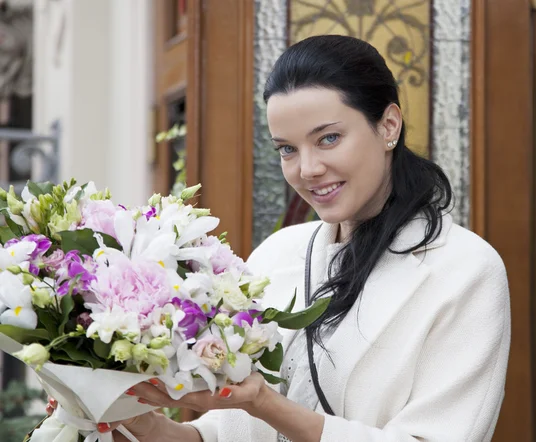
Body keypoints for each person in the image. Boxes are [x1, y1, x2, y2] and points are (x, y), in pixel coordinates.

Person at [47, 34, 511, 442]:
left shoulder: (464, 270)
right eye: (287, 149)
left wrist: (265, 403)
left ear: (388, 125)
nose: (307, 169)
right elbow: (222, 437)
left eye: (328, 139)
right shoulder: (278, 255)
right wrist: (138, 425)